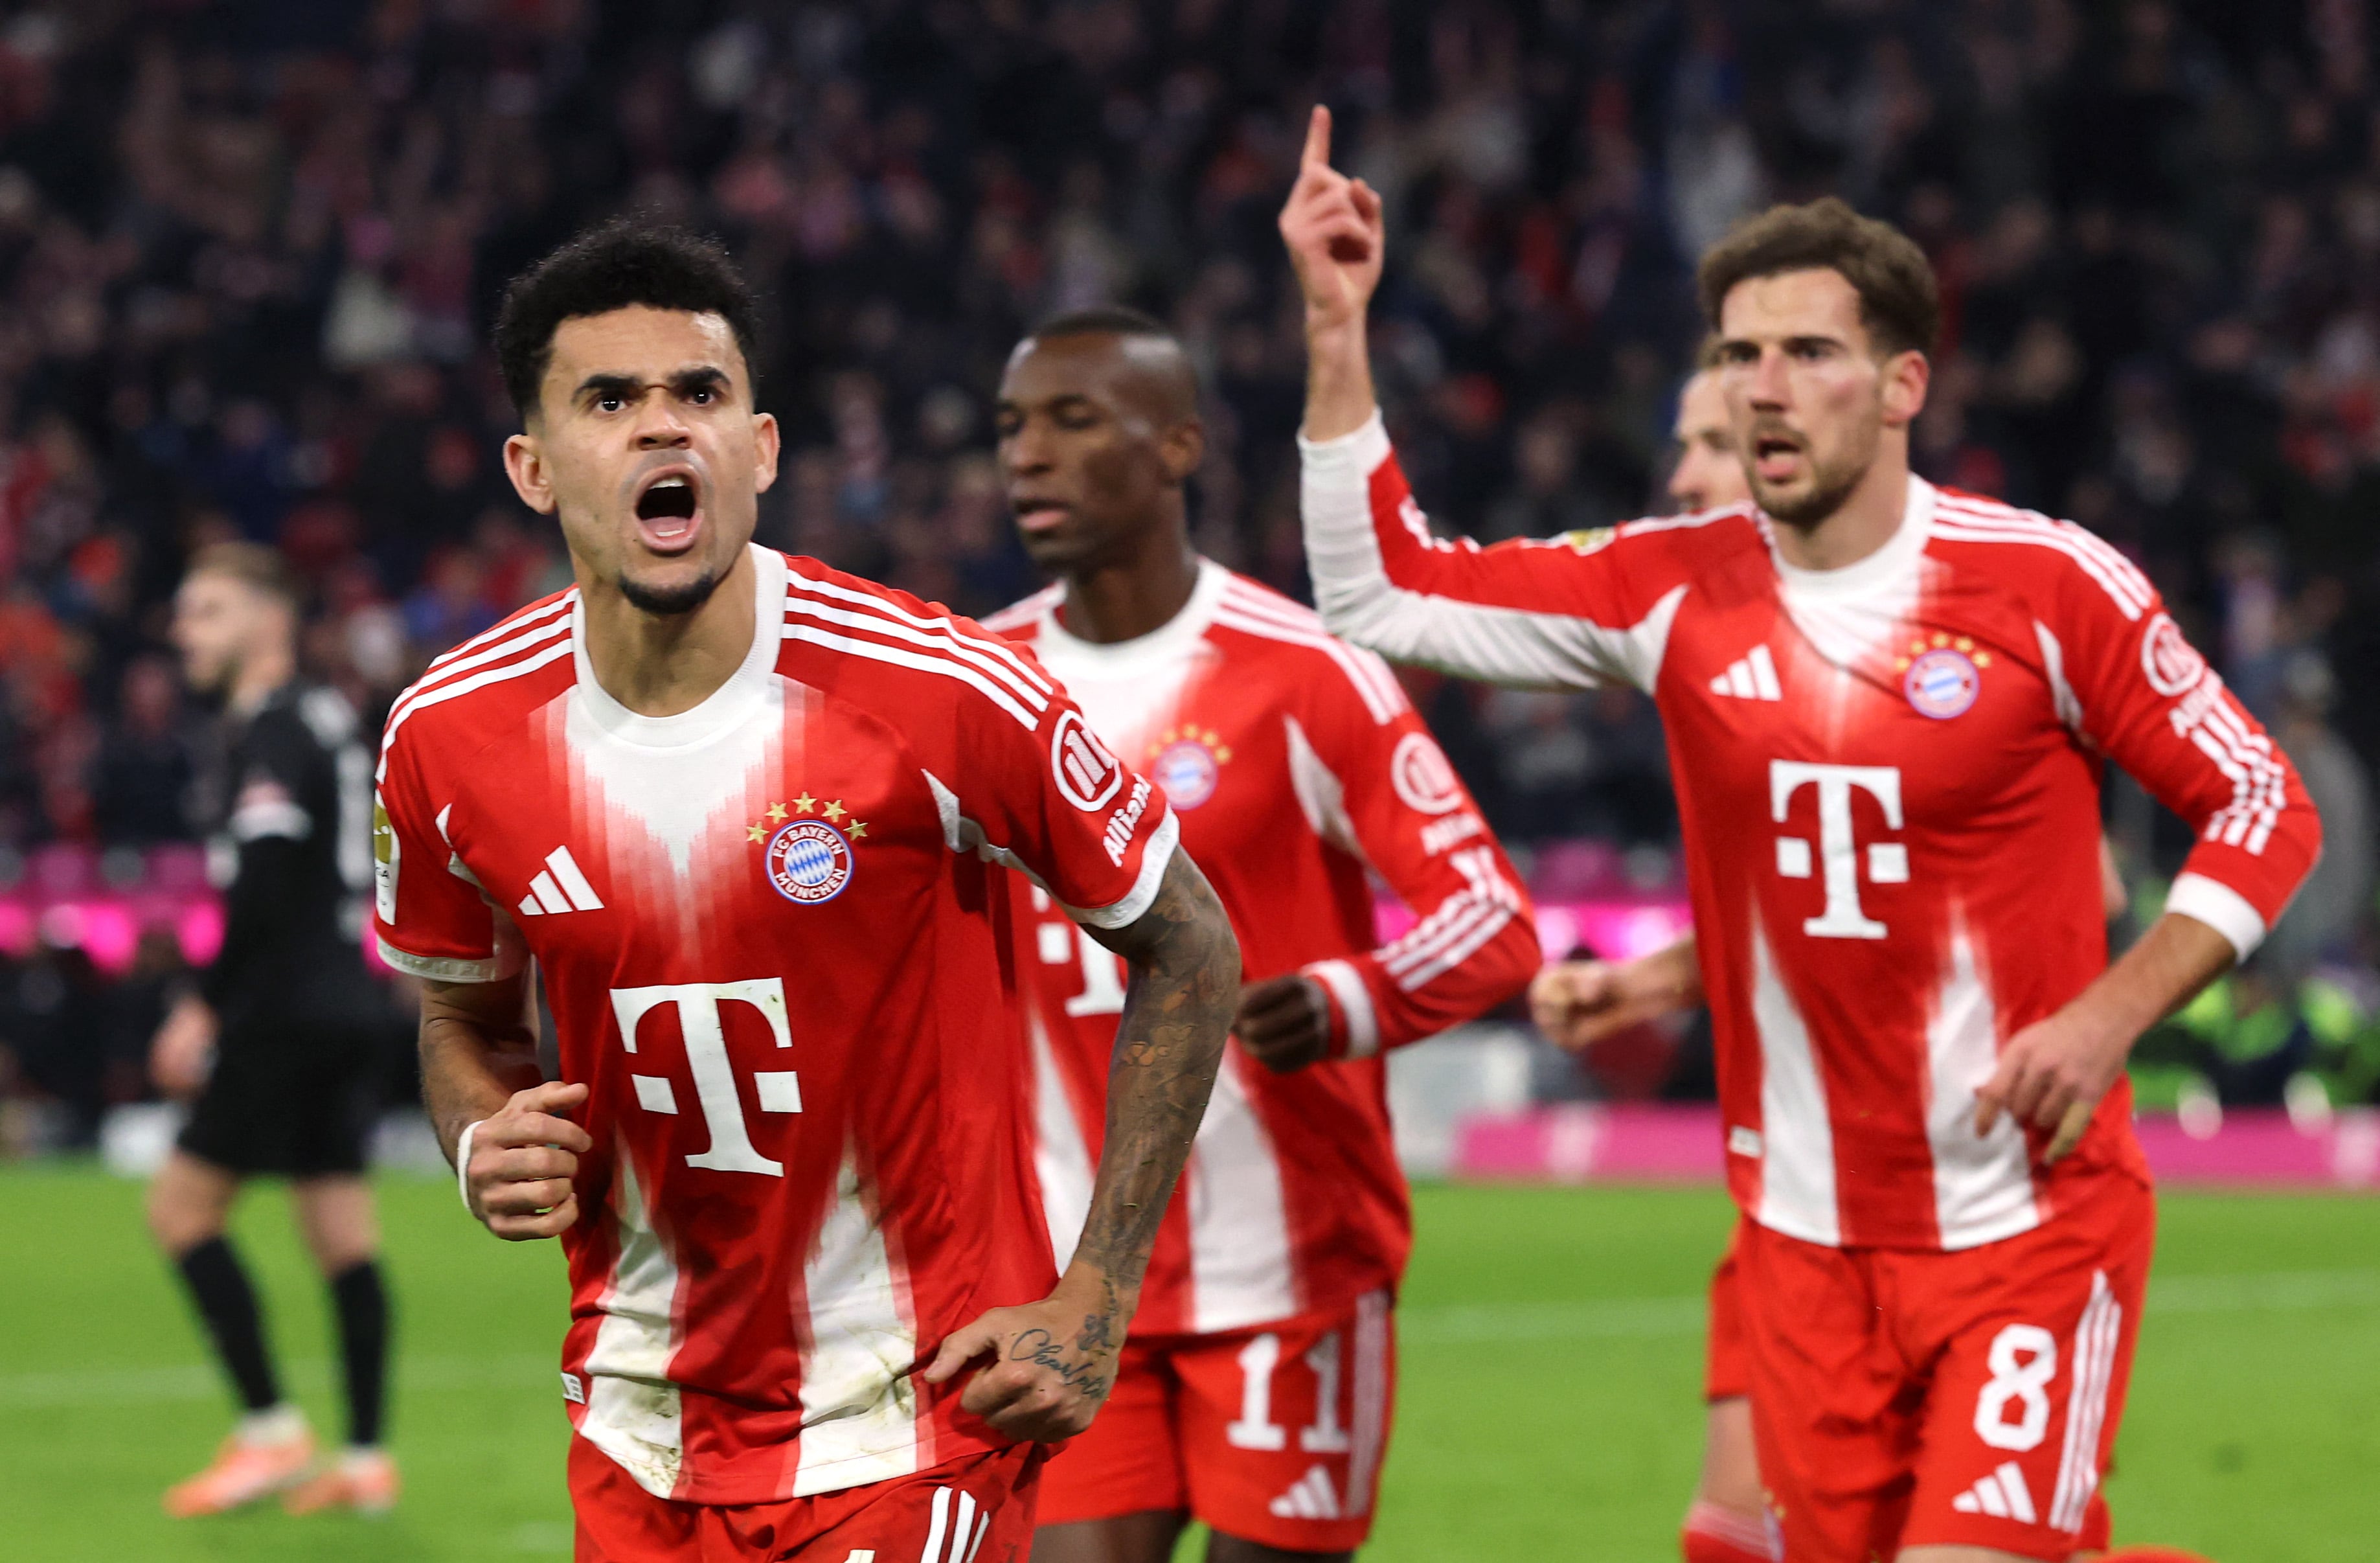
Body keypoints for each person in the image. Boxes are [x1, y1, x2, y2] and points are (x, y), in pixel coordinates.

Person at [1282, 108, 2320, 1563]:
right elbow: (1381, 595)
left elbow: (2264, 802)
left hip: (2027, 1220)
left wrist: (2104, 1017)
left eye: (1807, 354)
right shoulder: (1666, 587)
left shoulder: (2042, 585)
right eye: (1736, 354)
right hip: (1801, 1248)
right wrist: (1337, 333)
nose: (1763, 390)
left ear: (1901, 385)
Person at [373, 220, 1241, 1562]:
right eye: (611, 401)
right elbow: (459, 1018)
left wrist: (1096, 1290)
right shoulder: (448, 738)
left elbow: (1188, 940)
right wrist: (481, 1138)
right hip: (633, 1421)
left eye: (699, 395)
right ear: (533, 469)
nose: (664, 432)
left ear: (759, 451)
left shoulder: (938, 690)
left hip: (908, 1418)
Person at [982, 308, 1539, 1562]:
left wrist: (1347, 1000)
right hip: (1079, 1275)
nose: (1026, 455)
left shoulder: (1300, 670)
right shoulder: (983, 682)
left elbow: (1493, 920)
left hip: (1289, 1275)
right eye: (1013, 426)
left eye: (1074, 420)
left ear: (1178, 445)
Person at [148, 542, 398, 1517]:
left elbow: (264, 881)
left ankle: (268, 1430)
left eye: (205, 610)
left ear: (267, 618)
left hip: (287, 1007)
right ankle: (368, 1457)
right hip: (346, 997)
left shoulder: (277, 725)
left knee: (179, 1210)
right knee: (341, 1231)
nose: (184, 631)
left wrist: (204, 1002)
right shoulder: (329, 719)